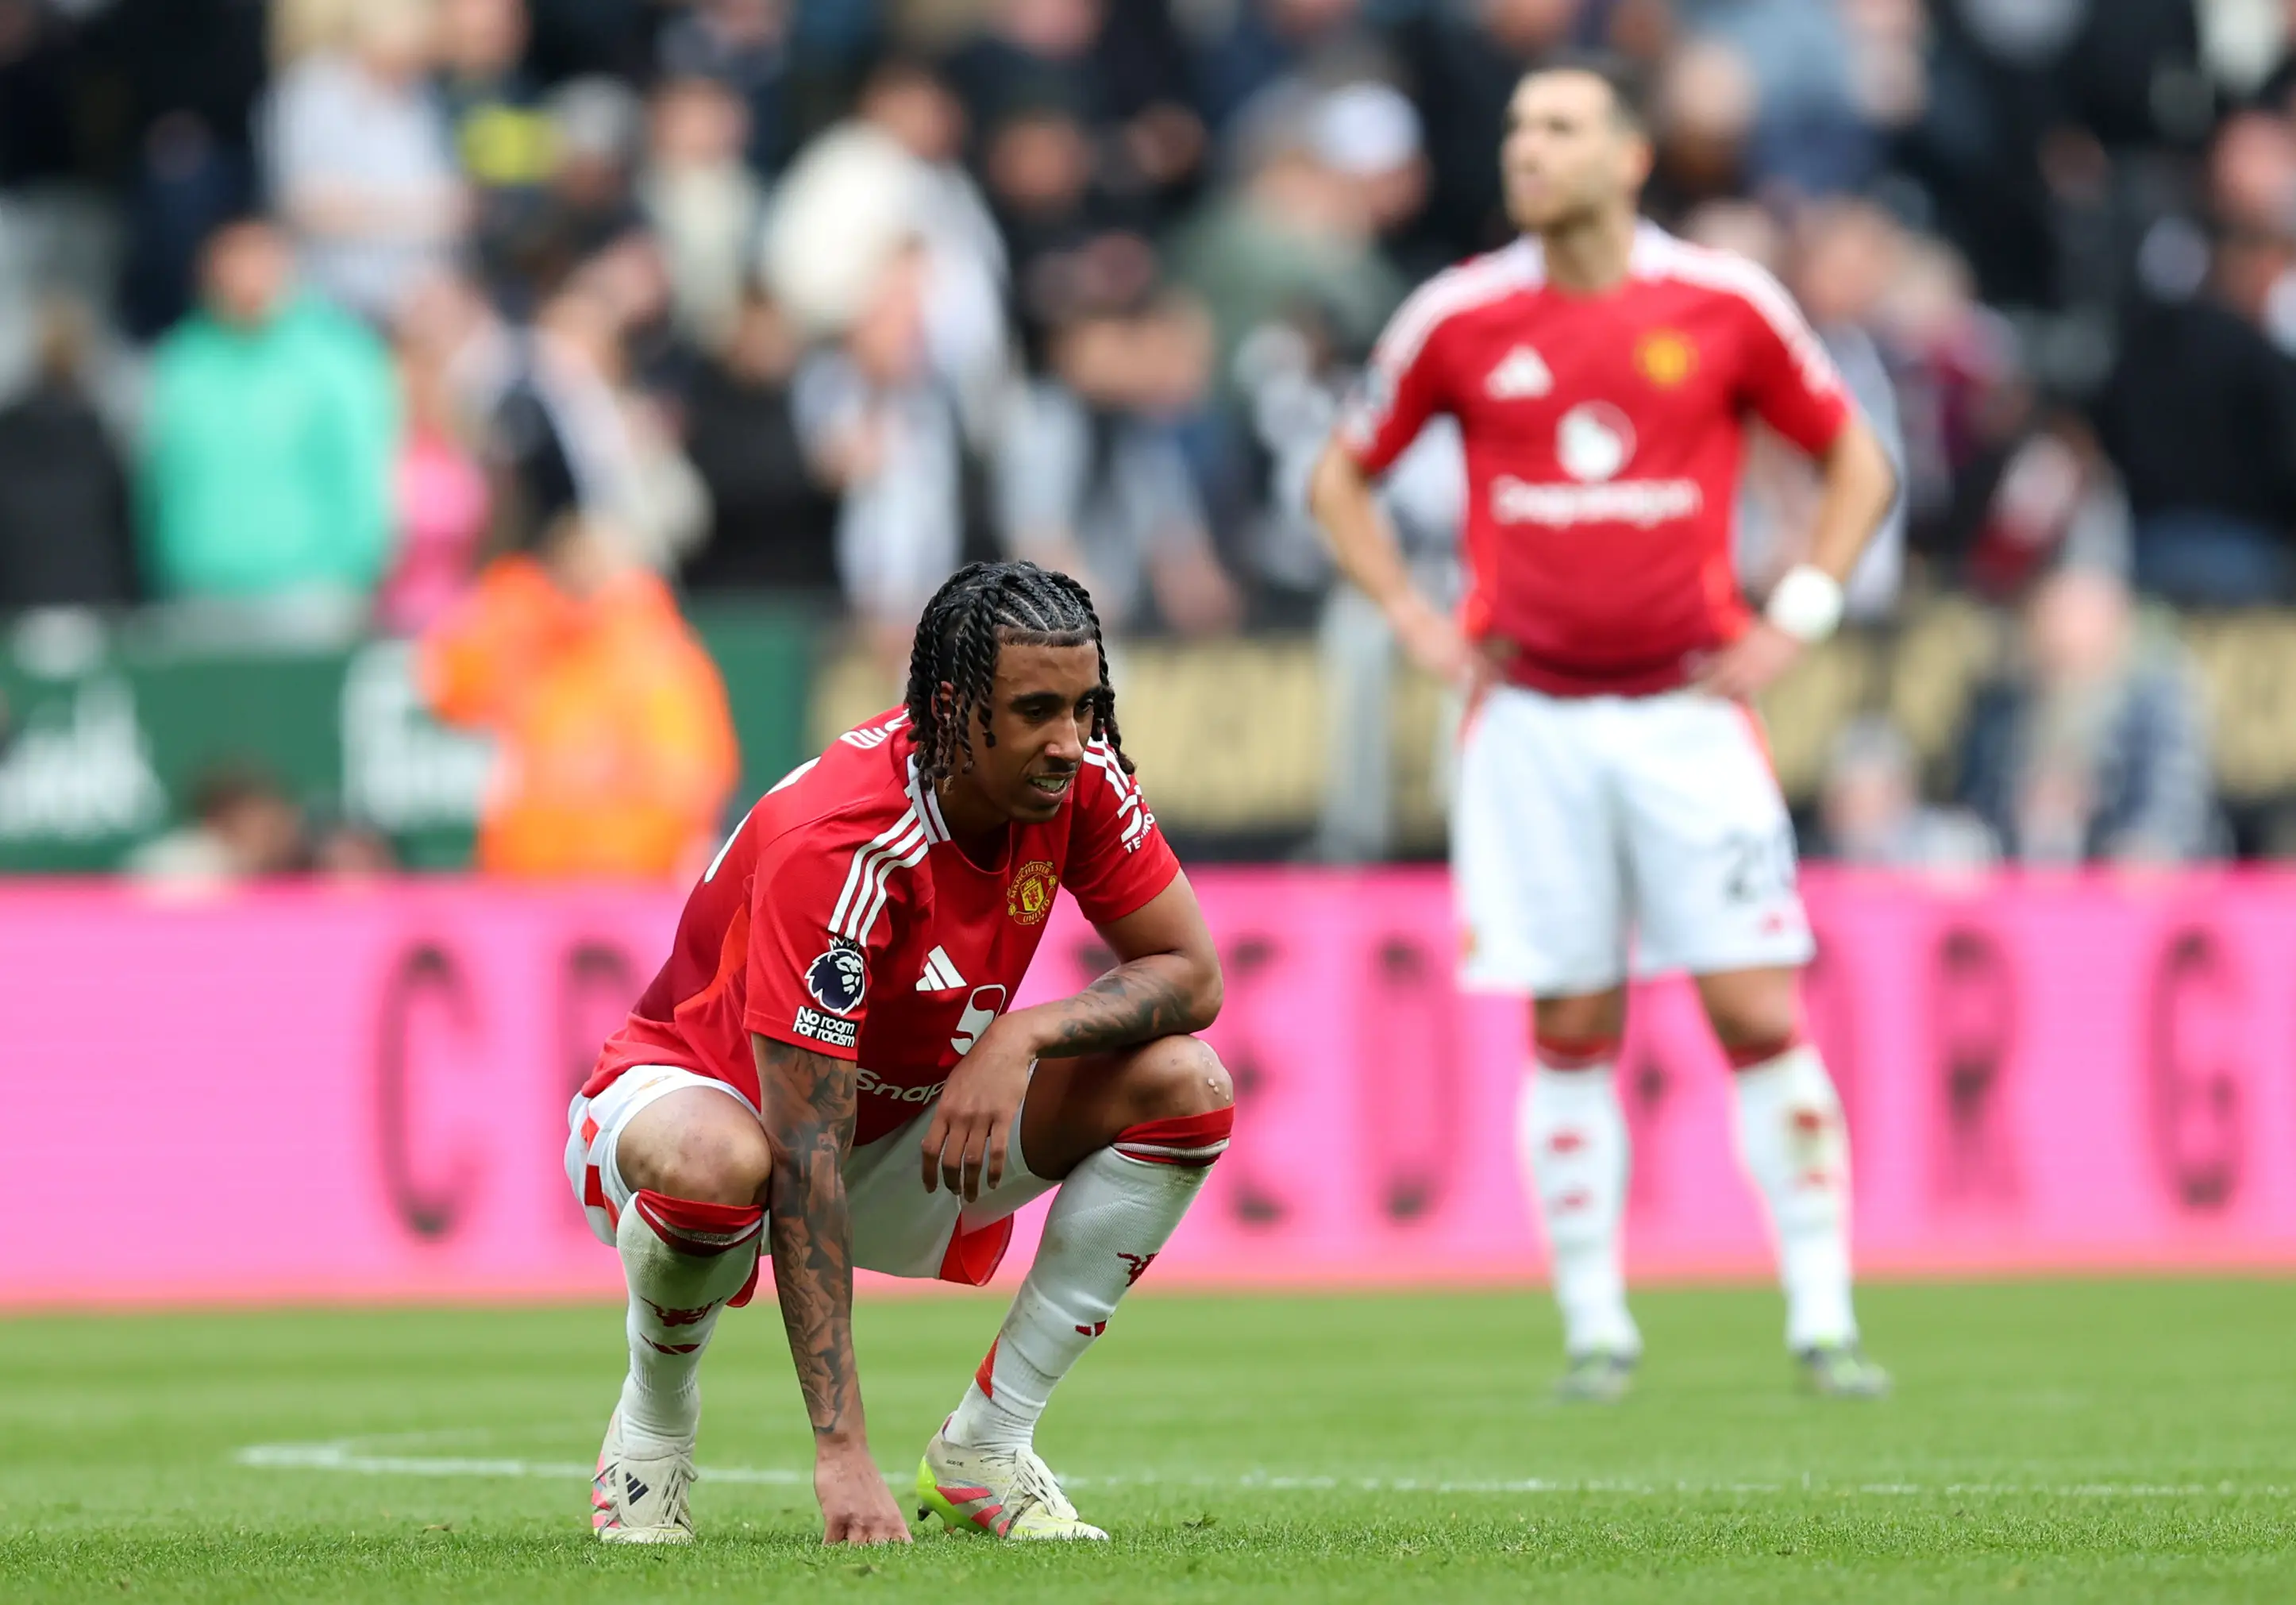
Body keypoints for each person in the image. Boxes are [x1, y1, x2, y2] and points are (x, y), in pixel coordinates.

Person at [1308, 56, 1901, 1402]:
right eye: (1518, 125)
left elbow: (1858, 457)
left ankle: (1821, 1315)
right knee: (1570, 1019)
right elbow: (1340, 474)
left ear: (1629, 157)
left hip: (1691, 715)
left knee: (1754, 1004)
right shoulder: (1458, 317)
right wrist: (1410, 614)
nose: (1530, 146)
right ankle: (1596, 1327)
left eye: (1562, 126)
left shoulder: (1723, 303)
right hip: (1528, 721)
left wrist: (1797, 610)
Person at [568, 559, 1231, 1545]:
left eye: (1087, 705)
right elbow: (804, 1155)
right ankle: (654, 1429)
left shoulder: (1082, 778)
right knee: (722, 1165)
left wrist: (1025, 1031)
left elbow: (1193, 974)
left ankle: (988, 1445)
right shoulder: (844, 843)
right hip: (702, 1104)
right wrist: (843, 1453)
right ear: (956, 707)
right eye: (1038, 709)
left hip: (904, 1119)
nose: (1070, 740)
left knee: (1187, 1084)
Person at [419, 513, 737, 880]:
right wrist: (513, 597)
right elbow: (449, 689)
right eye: (572, 564)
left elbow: (692, 783)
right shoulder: (534, 638)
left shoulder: (661, 657)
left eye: (598, 562)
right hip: (526, 879)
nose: (586, 577)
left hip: (627, 886)